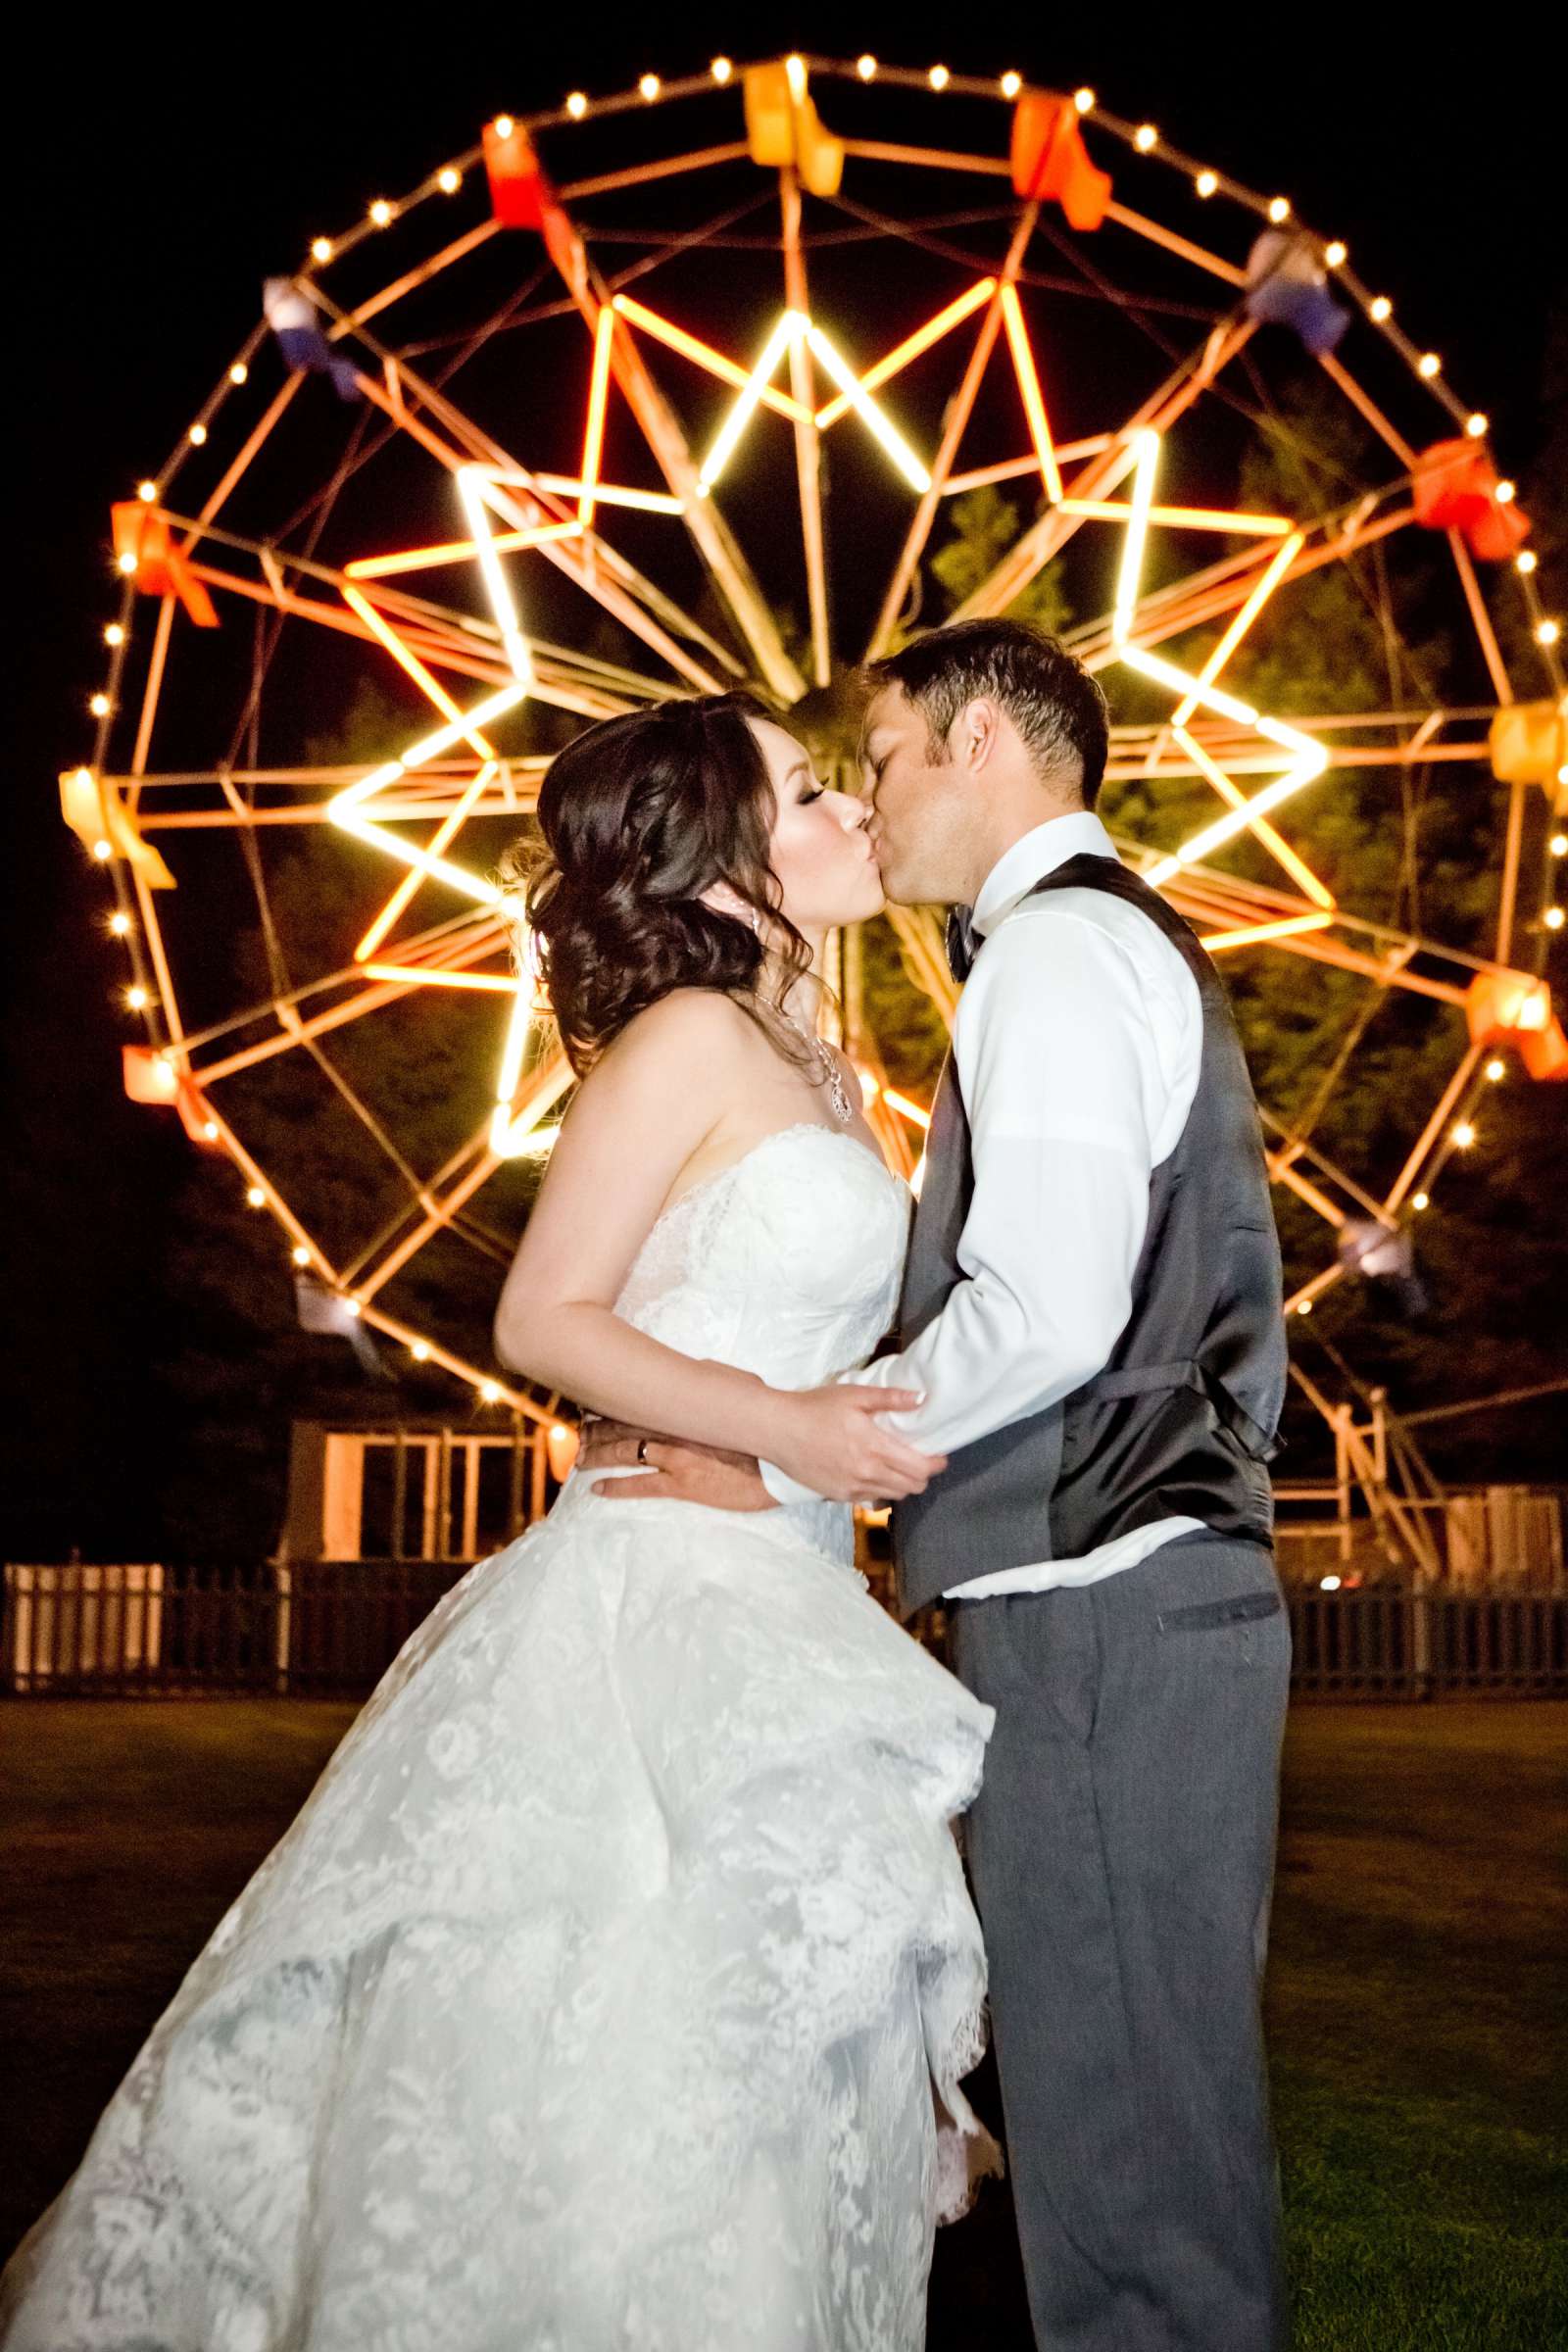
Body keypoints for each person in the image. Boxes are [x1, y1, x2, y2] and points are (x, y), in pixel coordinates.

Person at [0, 693, 996, 2352]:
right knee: (640, 2066)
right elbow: (545, 1318)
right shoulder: (687, 1033)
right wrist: (786, 1430)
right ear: (722, 851)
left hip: (778, 1584)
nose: (848, 814)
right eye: (808, 790)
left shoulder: (815, 1059)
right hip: (653, 1616)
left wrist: (798, 1453)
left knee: (771, 2072)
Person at [581, 621, 1295, 2352]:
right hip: (1134, 1581)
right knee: (1142, 2107)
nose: (869, 802)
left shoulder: (1051, 958)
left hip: (1098, 1588)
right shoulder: (1099, 948)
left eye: (880, 759)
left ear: (980, 742)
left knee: (1126, 2137)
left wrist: (783, 1427)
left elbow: (1041, 1310)